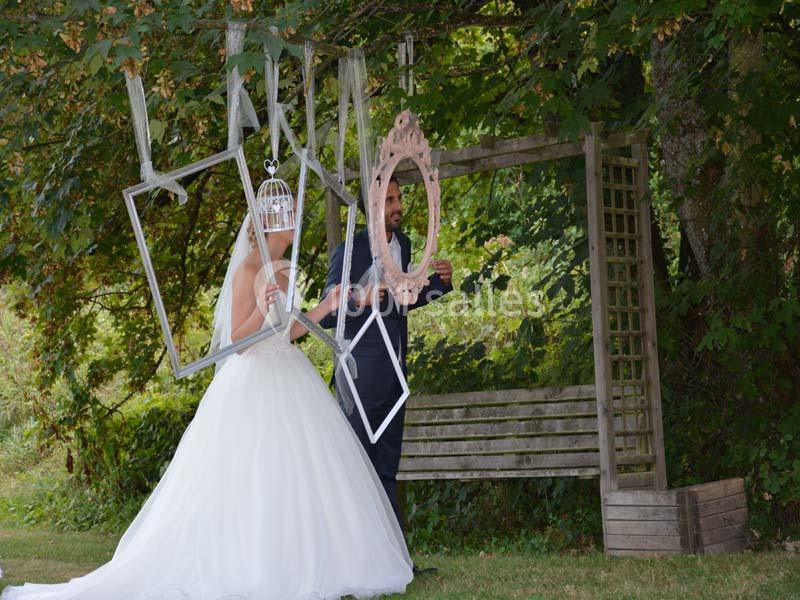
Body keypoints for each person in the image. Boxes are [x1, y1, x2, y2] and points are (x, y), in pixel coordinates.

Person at [1, 208, 413, 600]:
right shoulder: (249, 269)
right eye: (288, 217)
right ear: (270, 224)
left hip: (290, 374)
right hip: (252, 382)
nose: (296, 221)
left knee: (299, 474)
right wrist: (262, 306)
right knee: (252, 477)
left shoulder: (286, 269)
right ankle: (249, 565)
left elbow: (286, 332)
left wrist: (327, 305)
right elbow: (238, 341)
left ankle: (301, 560)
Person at [320, 177, 453, 535]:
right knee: (356, 470)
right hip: (359, 381)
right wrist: (360, 296)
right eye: (390, 200)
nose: (398, 206)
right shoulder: (351, 249)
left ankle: (393, 560)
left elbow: (401, 303)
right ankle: (353, 556)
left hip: (396, 375)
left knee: (387, 470)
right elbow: (328, 311)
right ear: (373, 208)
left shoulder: (405, 245)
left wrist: (441, 283)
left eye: (399, 197)